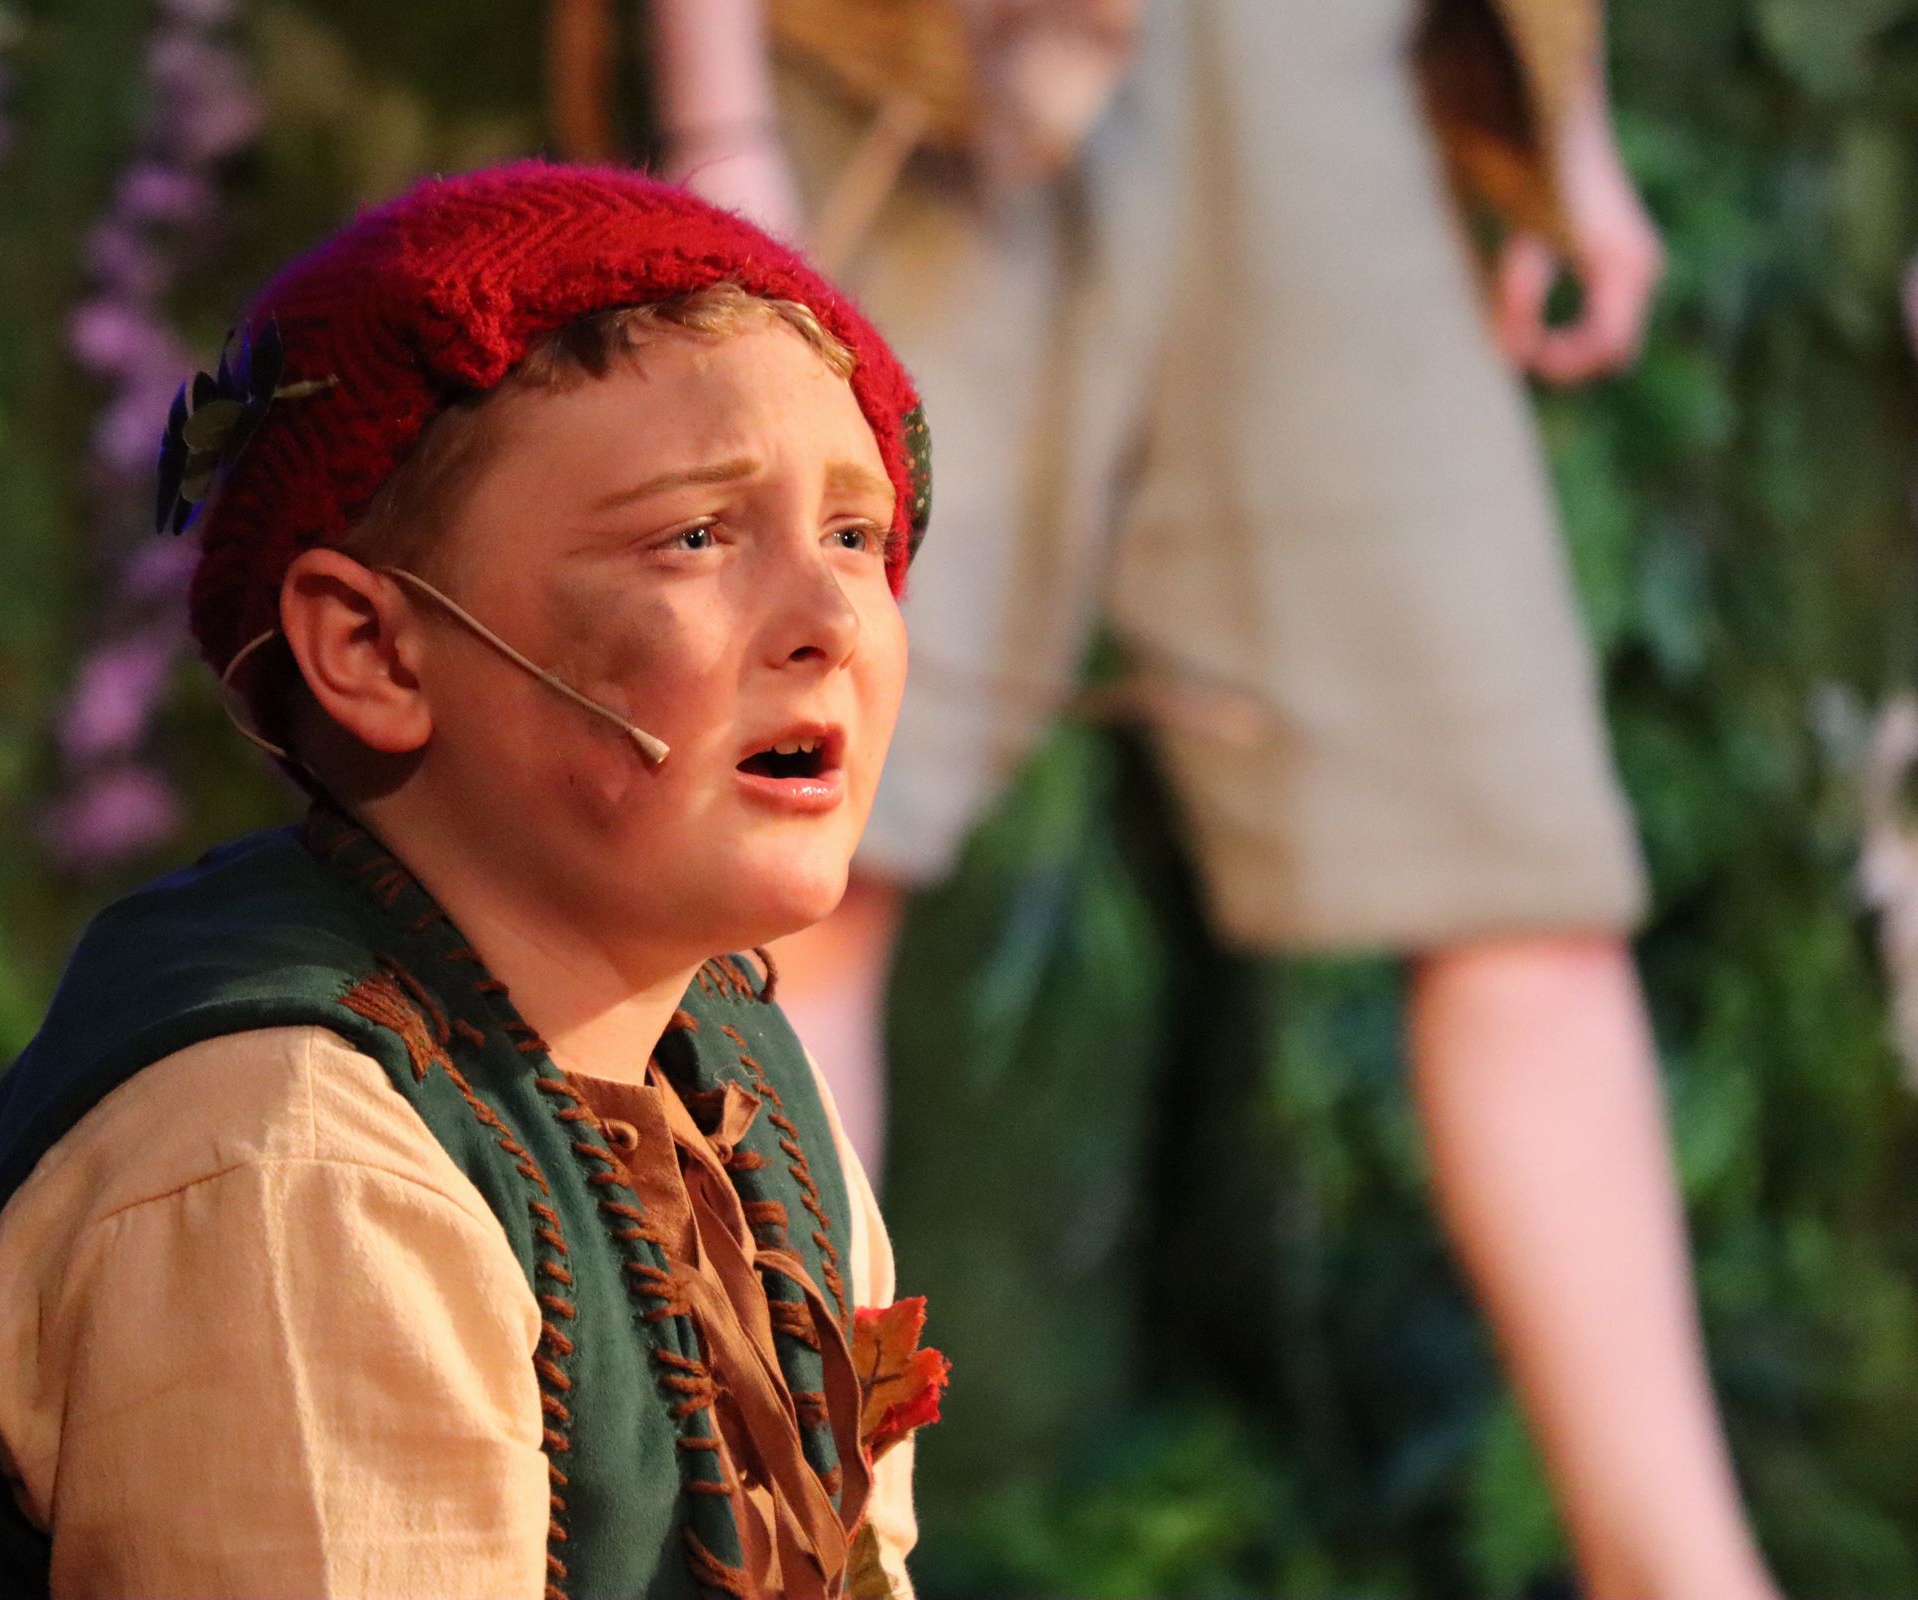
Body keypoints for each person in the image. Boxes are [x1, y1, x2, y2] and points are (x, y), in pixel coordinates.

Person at [649, 1, 1783, 1597]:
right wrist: (718, 122)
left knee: (1519, 867)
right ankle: (765, 1569)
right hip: (913, 50)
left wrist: (1558, 111)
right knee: (786, 878)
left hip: (1321, 63)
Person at [0, 162, 944, 1600]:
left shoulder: (748, 1087)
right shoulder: (294, 1165)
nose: (834, 618)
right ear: (373, 651)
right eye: (695, 536)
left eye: (854, 535)